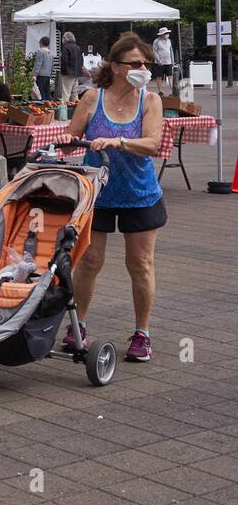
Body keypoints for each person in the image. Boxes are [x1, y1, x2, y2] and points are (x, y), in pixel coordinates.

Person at [60, 33, 164, 363]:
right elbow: (73, 134)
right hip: (99, 192)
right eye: (136, 63)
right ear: (116, 66)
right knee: (89, 261)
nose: (143, 68)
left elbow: (152, 145)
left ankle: (142, 333)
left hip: (139, 193)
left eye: (146, 63)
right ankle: (79, 327)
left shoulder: (150, 100)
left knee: (140, 264)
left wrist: (117, 141)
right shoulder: (93, 97)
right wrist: (65, 141)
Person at [59, 30, 82, 101]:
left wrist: (63, 71)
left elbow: (64, 61)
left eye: (63, 38)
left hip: (67, 74)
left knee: (65, 93)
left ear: (65, 39)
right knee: (75, 94)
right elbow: (81, 61)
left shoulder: (66, 47)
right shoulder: (77, 47)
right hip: (76, 73)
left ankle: (64, 111)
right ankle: (75, 110)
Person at [152, 27, 174, 95]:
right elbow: (154, 51)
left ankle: (173, 91)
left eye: (167, 33)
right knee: (159, 77)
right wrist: (158, 61)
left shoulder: (169, 41)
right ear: (162, 34)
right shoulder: (156, 41)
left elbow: (171, 51)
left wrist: (172, 61)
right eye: (166, 33)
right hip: (159, 63)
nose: (167, 34)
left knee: (170, 76)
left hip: (168, 62)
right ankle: (160, 91)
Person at [32, 36, 54, 100]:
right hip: (48, 75)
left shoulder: (40, 51)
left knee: (40, 92)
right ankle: (47, 105)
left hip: (41, 75)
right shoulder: (50, 53)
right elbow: (52, 65)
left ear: (41, 43)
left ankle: (42, 106)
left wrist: (34, 74)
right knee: (46, 92)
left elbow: (38, 64)